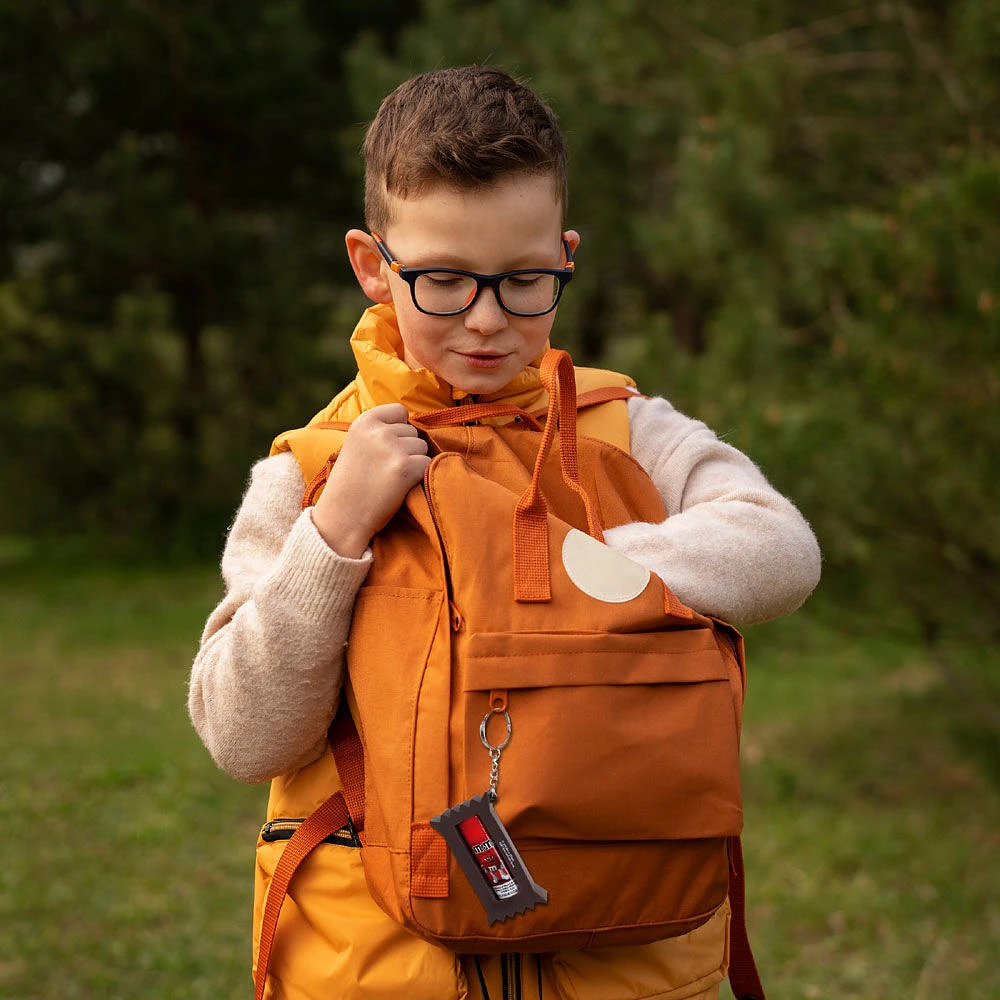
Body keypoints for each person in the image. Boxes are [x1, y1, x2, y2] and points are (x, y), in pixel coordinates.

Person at [189, 65, 821, 1000]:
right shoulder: (313, 476)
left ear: (565, 255)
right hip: (379, 968)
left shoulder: (629, 431)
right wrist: (336, 535)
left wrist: (545, 571)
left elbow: (781, 550)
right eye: (443, 280)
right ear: (373, 264)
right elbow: (245, 739)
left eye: (525, 280)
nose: (486, 320)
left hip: (624, 959)